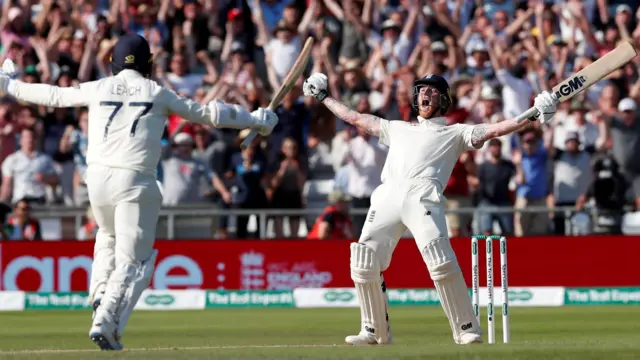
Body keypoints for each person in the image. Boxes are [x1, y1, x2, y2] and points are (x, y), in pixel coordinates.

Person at [0, 34, 278, 350]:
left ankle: (100, 294)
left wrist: (9, 85)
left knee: (106, 236)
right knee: (136, 263)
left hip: (98, 181)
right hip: (135, 181)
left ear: (112, 63)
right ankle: (105, 319)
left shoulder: (98, 87)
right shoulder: (157, 92)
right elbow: (210, 114)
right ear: (148, 63)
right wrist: (257, 119)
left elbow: (52, 95)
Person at [302, 72, 557, 345]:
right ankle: (374, 330)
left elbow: (496, 129)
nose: (425, 94)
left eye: (433, 91)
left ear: (444, 99)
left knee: (440, 260)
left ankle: (466, 328)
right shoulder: (396, 127)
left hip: (424, 197)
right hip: (387, 195)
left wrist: (533, 113)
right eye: (422, 90)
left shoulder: (455, 132)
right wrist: (323, 96)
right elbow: (354, 117)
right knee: (363, 261)